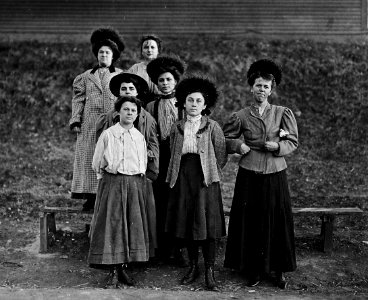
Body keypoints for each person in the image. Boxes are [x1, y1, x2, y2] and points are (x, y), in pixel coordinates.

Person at [223, 59, 298, 289]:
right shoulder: (241, 115)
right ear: (251, 87)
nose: (262, 90)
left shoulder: (282, 113)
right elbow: (225, 138)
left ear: (271, 89)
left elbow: (292, 141)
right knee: (252, 220)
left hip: (275, 171)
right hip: (250, 172)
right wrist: (238, 146)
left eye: (266, 86)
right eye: (258, 86)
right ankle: (253, 269)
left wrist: (278, 147)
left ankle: (278, 270)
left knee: (277, 219)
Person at [165, 75, 227, 291]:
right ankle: (193, 266)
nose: (194, 105)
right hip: (183, 177)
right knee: (189, 221)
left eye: (198, 101)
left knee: (208, 224)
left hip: (205, 180)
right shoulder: (177, 127)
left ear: (205, 104)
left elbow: (221, 154)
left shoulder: (212, 126)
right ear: (183, 102)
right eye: (190, 100)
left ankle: (209, 270)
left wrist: (210, 172)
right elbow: (173, 150)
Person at [88, 96, 150, 288]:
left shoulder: (139, 136)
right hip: (113, 182)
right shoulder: (108, 134)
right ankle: (113, 270)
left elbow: (142, 163)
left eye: (133, 110)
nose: (129, 113)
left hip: (134, 184)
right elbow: (97, 162)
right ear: (118, 112)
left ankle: (123, 267)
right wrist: (107, 181)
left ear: (137, 114)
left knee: (130, 225)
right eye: (126, 109)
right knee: (113, 224)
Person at [95, 72, 159, 258]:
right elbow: (99, 156)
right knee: (113, 222)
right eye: (124, 89)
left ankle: (128, 260)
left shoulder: (143, 129)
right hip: (113, 180)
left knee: (133, 222)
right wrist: (104, 177)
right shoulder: (108, 128)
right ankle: (112, 262)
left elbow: (151, 147)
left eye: (131, 89)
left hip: (136, 179)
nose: (127, 92)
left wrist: (149, 167)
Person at [69, 27, 125, 211]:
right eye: (101, 52)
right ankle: (90, 197)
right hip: (90, 124)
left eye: (107, 52)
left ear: (113, 55)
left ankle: (109, 196)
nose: (103, 55)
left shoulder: (120, 76)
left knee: (110, 156)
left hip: (112, 122)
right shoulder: (85, 77)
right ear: (96, 55)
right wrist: (76, 119)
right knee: (89, 158)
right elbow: (78, 99)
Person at [145, 55, 186, 265]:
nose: (165, 83)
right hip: (160, 158)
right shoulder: (151, 106)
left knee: (177, 202)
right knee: (160, 202)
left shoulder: (185, 105)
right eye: (161, 80)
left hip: (179, 157)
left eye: (168, 79)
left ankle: (177, 249)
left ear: (176, 81)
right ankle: (159, 249)